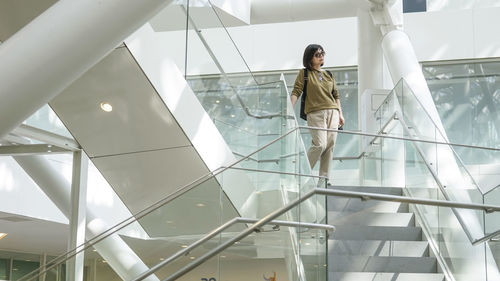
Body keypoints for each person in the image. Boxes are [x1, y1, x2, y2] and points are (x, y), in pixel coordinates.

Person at [290, 44, 344, 184]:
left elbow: (336, 95)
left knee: (329, 146)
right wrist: (289, 108)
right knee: (320, 144)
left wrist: (340, 114)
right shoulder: (305, 73)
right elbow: (296, 91)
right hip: (315, 113)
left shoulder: (328, 74)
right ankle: (302, 173)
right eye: (317, 54)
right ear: (310, 58)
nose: (321, 56)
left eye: (322, 53)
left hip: (333, 112)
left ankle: (324, 180)